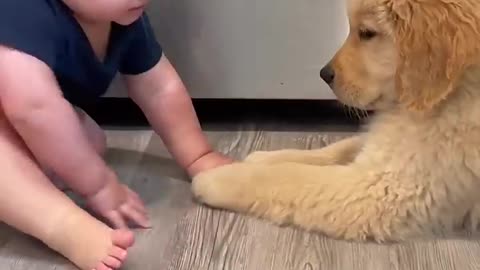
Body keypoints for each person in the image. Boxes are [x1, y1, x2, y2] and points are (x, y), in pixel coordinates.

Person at [0, 0, 233, 269]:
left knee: (85, 142)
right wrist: (97, 184)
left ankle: (22, 193)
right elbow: (32, 107)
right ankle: (61, 223)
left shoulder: (119, 17)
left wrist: (198, 155)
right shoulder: (18, 11)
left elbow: (158, 88)